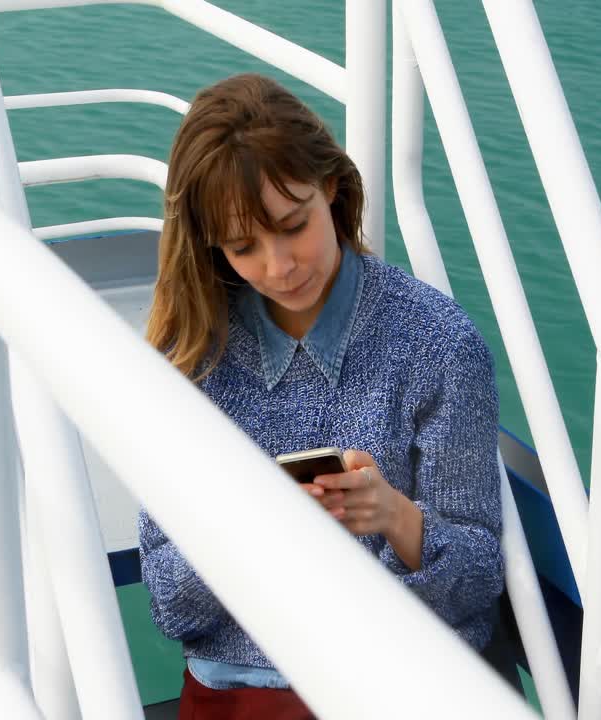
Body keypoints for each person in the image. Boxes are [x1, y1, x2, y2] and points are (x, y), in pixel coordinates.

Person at [139, 73, 504, 719]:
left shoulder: (440, 344)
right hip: (238, 695)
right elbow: (169, 604)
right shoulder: (188, 358)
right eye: (244, 246)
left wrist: (394, 516)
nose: (280, 266)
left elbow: (476, 578)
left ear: (331, 189)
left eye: (293, 224)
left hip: (396, 685)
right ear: (212, 247)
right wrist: (248, 524)